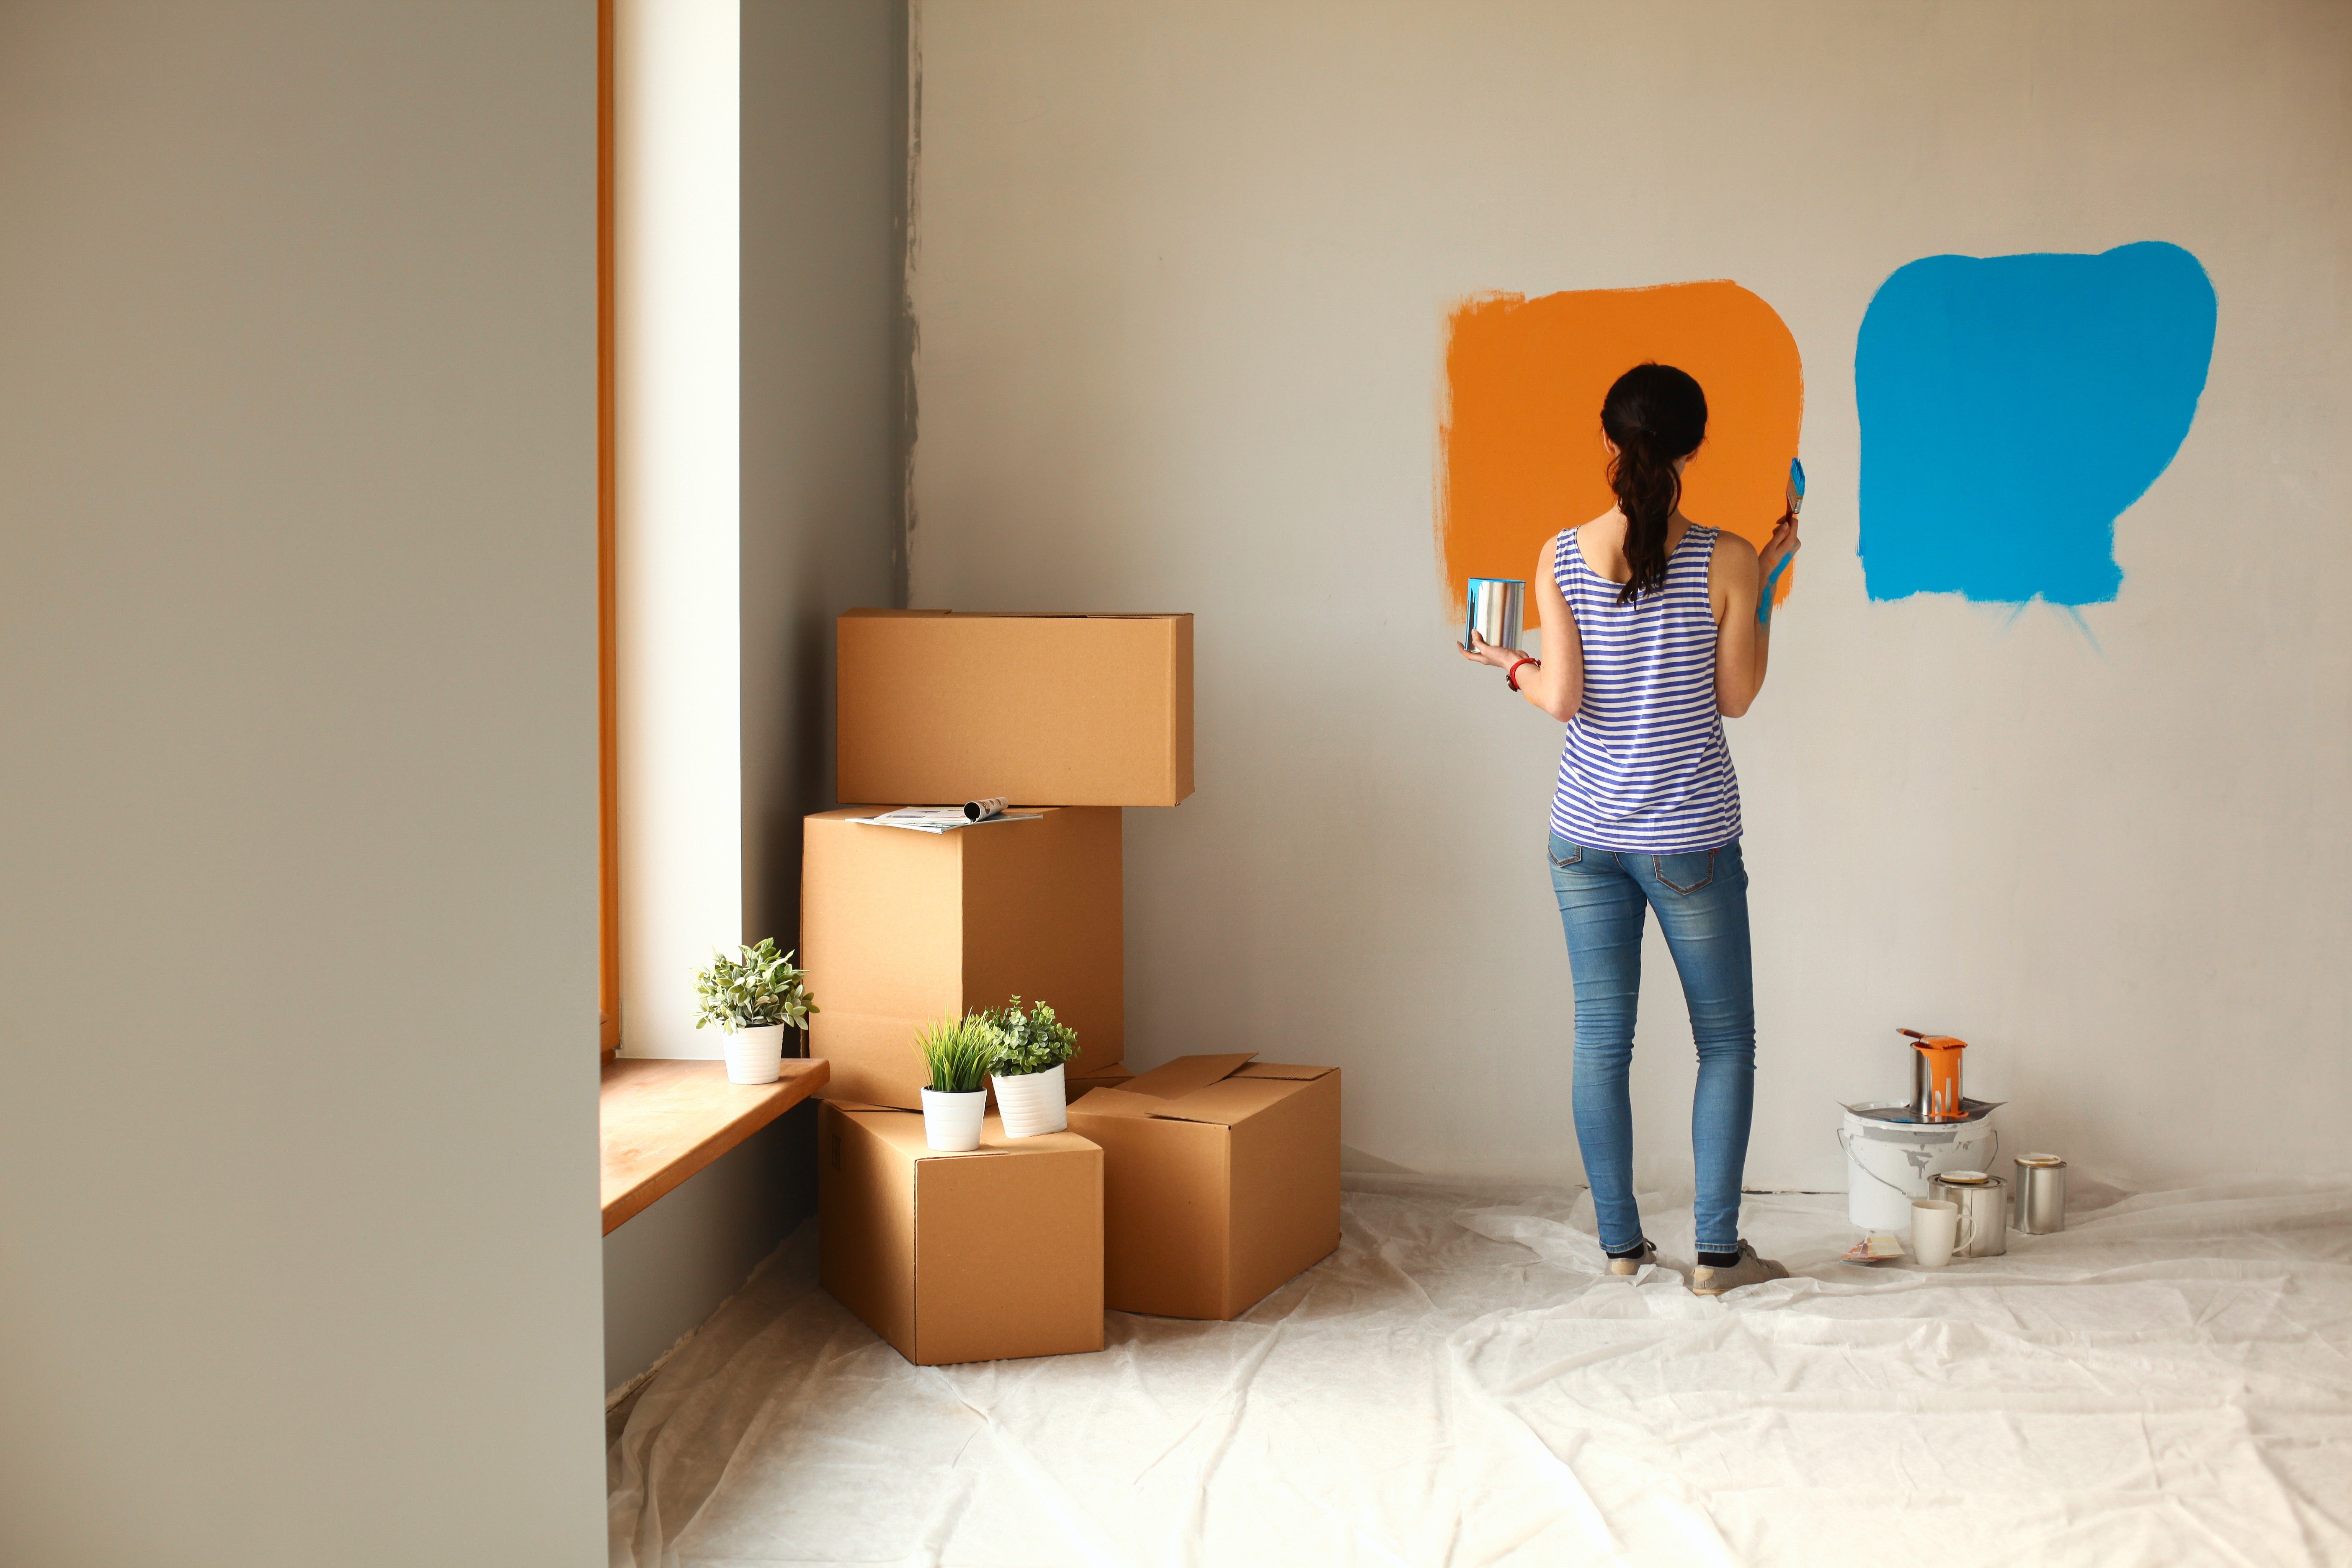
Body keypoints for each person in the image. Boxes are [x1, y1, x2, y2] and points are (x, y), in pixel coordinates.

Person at [1464, 362, 1800, 1297]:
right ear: (1695, 447)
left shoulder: (1561, 554)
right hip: (1688, 841)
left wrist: (1507, 663)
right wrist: (1766, 583)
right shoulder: (1729, 558)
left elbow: (1563, 698)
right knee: (1724, 1042)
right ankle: (1718, 1259)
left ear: (1608, 442)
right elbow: (1737, 696)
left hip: (1584, 838)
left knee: (1601, 1041)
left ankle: (1620, 1247)